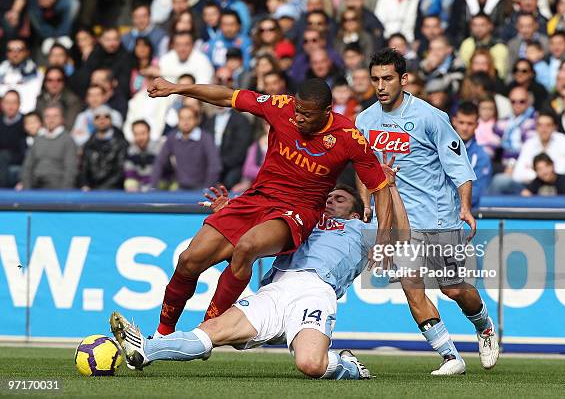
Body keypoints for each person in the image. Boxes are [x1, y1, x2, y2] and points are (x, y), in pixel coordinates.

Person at [145, 75, 392, 337]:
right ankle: (162, 335)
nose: (298, 118)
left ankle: (207, 331)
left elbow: (380, 188)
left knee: (247, 247)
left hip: (297, 211)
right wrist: (176, 88)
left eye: (307, 115)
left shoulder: (349, 137)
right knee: (188, 260)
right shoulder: (281, 107)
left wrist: (385, 240)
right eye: (297, 111)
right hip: (256, 198)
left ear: (327, 112)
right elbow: (227, 96)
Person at [110, 171, 404, 378]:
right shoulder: (304, 220)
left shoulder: (361, 229)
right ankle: (146, 349)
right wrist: (230, 211)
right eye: (328, 196)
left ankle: (347, 366)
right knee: (210, 331)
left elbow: (402, 236)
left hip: (315, 291)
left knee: (310, 365)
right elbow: (260, 226)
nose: (330, 200)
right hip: (276, 289)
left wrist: (390, 188)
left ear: (356, 211)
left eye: (339, 199)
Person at [357, 48, 499, 375]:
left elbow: (458, 166)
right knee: (411, 285)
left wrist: (465, 207)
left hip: (436, 216)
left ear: (403, 80)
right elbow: (364, 167)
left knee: (452, 288)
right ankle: (451, 357)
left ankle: (484, 325)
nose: (380, 85)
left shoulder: (430, 117)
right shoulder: (364, 120)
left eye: (387, 78)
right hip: (397, 222)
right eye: (375, 79)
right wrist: (365, 202)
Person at [151, 106, 221, 191]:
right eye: (182, 118)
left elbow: (215, 166)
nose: (186, 122)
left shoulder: (206, 138)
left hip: (202, 188)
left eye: (189, 118)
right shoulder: (172, 137)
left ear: (196, 120)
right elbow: (160, 162)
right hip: (180, 187)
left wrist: (207, 188)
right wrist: (153, 186)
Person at [20, 105, 78, 189]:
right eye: (47, 116)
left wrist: (64, 194)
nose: (51, 119)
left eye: (55, 116)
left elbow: (70, 169)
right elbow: (27, 166)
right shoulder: (38, 139)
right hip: (35, 186)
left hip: (57, 188)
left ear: (62, 119)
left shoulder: (68, 140)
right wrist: (26, 188)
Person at [451, 101, 492, 208]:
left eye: (470, 124)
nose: (465, 128)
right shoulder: (439, 148)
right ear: (454, 121)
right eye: (461, 122)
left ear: (477, 125)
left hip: (464, 214)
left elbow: (476, 193)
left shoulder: (482, 157)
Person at [512, 113, 565, 187]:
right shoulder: (529, 143)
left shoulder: (564, 141)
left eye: (548, 125)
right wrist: (542, 175)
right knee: (501, 181)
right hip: (531, 186)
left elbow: (562, 171)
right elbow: (517, 175)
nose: (544, 129)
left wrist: (536, 171)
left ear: (554, 127)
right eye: (540, 125)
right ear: (536, 127)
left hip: (558, 186)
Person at [79, 105, 129, 190]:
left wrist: (102, 189)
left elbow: (120, 171)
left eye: (106, 116)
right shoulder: (88, 145)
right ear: (93, 121)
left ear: (111, 120)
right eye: (97, 117)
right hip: (91, 192)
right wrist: (85, 185)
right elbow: (83, 169)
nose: (102, 120)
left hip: (114, 192)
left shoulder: (121, 144)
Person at [202, 106, 253, 189]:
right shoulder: (209, 121)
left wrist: (219, 164)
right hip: (212, 168)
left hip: (233, 168)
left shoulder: (241, 120)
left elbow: (240, 150)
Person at [124, 120, 159, 192]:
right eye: (136, 134)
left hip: (158, 183)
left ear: (149, 133)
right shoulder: (130, 151)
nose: (140, 137)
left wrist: (148, 186)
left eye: (143, 133)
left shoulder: (159, 148)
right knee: (129, 183)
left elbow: (162, 173)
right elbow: (130, 173)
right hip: (140, 184)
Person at [0, 90, 25, 188]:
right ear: (2, 104)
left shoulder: (25, 122)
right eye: (7, 102)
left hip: (19, 157)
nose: (10, 106)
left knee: (3, 155)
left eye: (14, 102)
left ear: (19, 104)